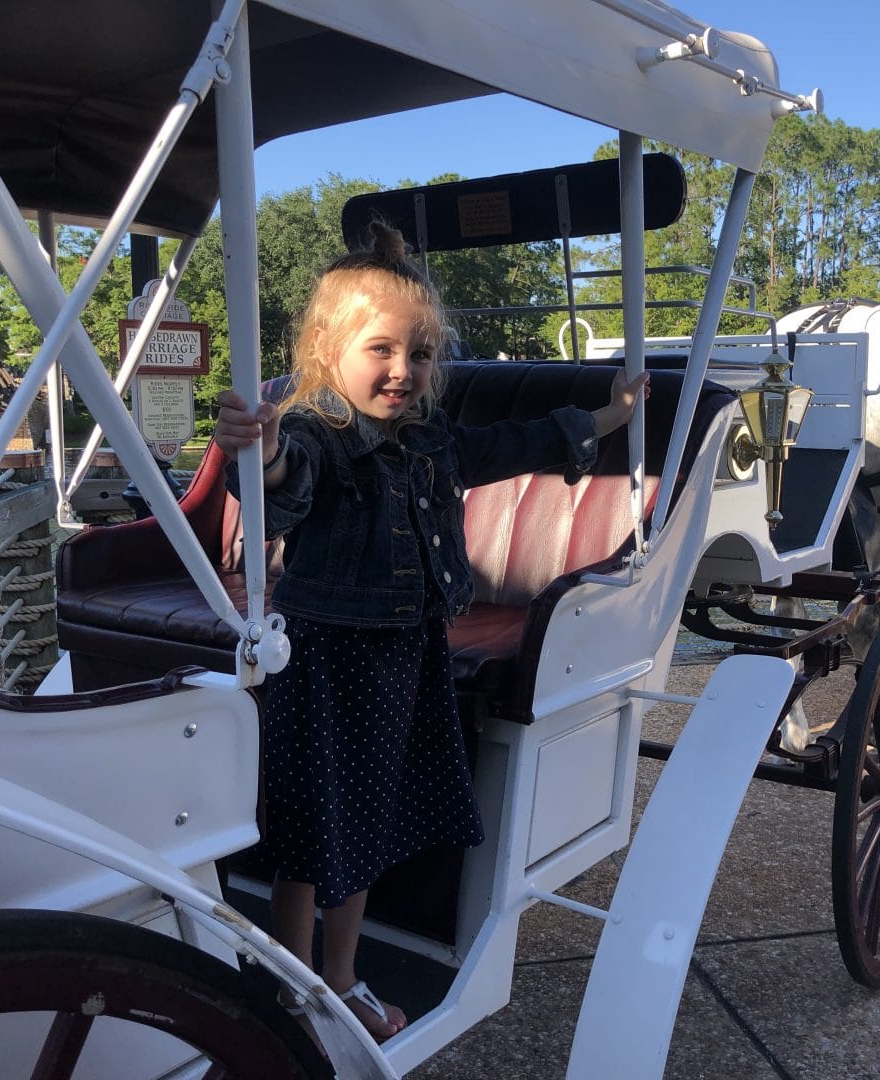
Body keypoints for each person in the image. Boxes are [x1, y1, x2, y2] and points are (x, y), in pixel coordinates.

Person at [213, 222, 647, 1042]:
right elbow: (289, 481)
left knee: (360, 825)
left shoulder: (430, 439)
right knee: (317, 827)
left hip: (403, 655)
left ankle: (330, 979)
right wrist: (264, 452)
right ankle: (303, 984)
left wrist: (612, 414)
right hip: (328, 659)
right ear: (325, 348)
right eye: (380, 350)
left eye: (416, 353)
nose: (401, 371)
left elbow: (515, 443)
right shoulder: (316, 433)